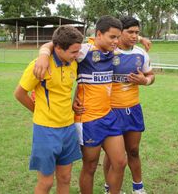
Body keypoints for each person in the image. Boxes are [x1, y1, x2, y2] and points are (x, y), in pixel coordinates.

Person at [34, 16, 127, 194]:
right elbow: (54, 44)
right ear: (99, 34)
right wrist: (44, 55)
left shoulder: (114, 51)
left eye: (118, 37)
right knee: (90, 166)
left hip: (108, 116)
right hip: (88, 119)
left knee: (120, 162)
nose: (116, 41)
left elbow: (132, 43)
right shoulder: (84, 50)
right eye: (112, 37)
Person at [14, 25, 83, 194]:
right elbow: (19, 93)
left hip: (68, 128)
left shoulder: (72, 63)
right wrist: (38, 111)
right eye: (74, 52)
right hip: (46, 130)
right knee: (46, 183)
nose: (77, 55)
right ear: (59, 48)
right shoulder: (39, 65)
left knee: (65, 178)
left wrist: (73, 103)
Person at [103, 16, 155, 194]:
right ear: (120, 32)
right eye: (130, 32)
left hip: (133, 109)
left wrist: (144, 81)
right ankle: (108, 188)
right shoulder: (108, 51)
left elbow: (151, 75)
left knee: (133, 150)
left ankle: (138, 188)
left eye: (137, 33)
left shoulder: (141, 54)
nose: (134, 36)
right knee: (112, 156)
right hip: (111, 110)